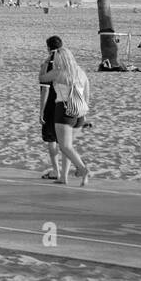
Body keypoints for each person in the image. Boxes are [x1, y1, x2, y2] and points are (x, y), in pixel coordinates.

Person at [39, 37, 91, 185]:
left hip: (64, 110)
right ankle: (64, 177)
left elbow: (42, 79)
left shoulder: (58, 72)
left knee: (65, 146)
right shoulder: (81, 72)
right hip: (80, 112)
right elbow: (87, 94)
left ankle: (83, 169)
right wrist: (84, 113)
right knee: (68, 147)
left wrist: (44, 63)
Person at [38, 39, 60, 179]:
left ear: (48, 47)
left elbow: (45, 90)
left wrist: (41, 111)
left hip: (52, 107)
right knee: (65, 142)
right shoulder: (68, 62)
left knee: (52, 140)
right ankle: (71, 169)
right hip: (67, 105)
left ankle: (56, 171)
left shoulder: (47, 64)